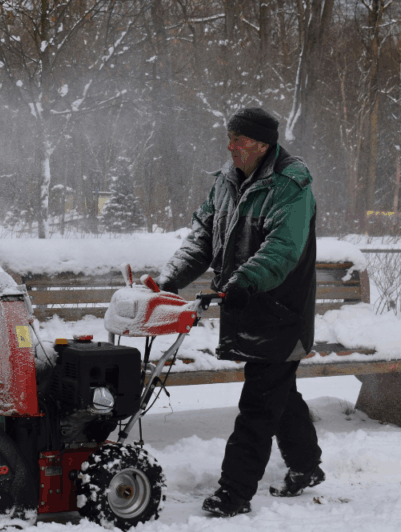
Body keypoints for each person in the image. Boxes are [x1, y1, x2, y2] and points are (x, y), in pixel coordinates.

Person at [156, 107, 324, 517]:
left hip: (281, 310)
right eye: (229, 138)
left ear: (262, 145)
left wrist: (242, 281)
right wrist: (170, 279)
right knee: (278, 392)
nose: (231, 147)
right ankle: (306, 466)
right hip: (246, 304)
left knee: (259, 404)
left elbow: (282, 248)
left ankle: (234, 493)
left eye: (239, 140)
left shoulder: (290, 186)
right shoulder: (227, 182)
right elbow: (202, 236)